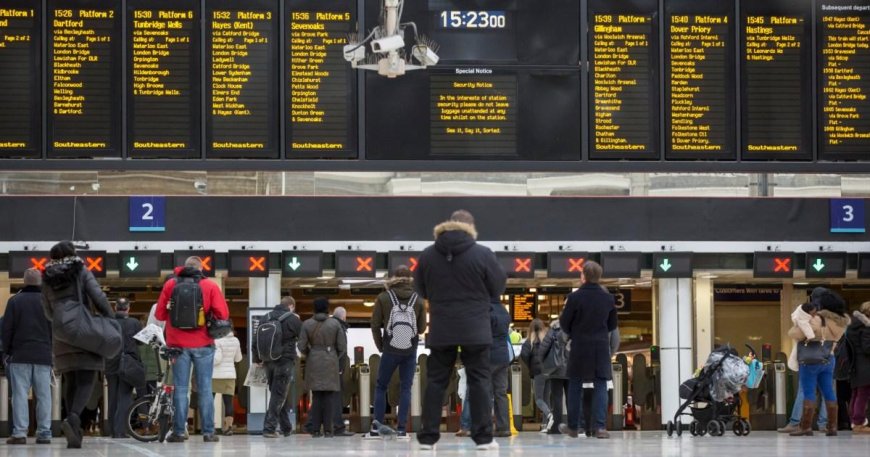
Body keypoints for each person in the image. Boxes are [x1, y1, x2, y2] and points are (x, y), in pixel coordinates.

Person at [414, 209, 506, 451]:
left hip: (442, 327)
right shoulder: (483, 254)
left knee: (436, 382)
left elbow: (421, 290)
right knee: (479, 382)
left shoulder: (427, 255)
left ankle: (427, 438)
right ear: (471, 228)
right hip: (475, 328)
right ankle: (484, 438)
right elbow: (497, 287)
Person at [41, 241, 115, 448]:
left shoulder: (46, 278)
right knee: (86, 378)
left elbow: (47, 312)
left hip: (61, 336)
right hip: (85, 332)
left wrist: (63, 321)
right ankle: (73, 418)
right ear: (72, 253)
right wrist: (110, 320)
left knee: (70, 380)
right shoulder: (80, 270)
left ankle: (73, 430)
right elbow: (97, 296)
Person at [155, 256, 230, 443]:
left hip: (177, 345)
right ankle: (208, 432)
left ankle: (179, 432)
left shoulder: (170, 284)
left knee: (181, 388)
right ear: (201, 268)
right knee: (205, 388)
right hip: (204, 344)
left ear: (184, 267)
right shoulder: (211, 286)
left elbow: (159, 314)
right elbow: (223, 314)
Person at [558, 260, 617, 440]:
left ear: (583, 276)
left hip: (580, 347)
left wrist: (574, 331)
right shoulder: (608, 298)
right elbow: (612, 325)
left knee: (575, 385)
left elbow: (564, 323)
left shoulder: (575, 297)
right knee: (601, 385)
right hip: (600, 347)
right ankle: (600, 428)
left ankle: (574, 427)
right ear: (599, 277)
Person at [370, 265, 427, 438]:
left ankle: (376, 428)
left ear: (393, 278)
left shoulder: (383, 297)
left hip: (390, 348)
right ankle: (402, 429)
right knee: (405, 388)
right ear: (410, 279)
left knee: (381, 386)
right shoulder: (418, 299)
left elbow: (374, 325)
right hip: (409, 350)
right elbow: (422, 328)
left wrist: (381, 346)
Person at [788, 291, 850, 436]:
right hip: (829, 359)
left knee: (809, 391)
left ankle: (806, 427)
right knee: (828, 390)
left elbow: (795, 334)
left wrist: (798, 322)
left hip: (810, 360)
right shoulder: (841, 322)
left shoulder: (816, 320)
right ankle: (832, 427)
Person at [3, 269, 53, 445]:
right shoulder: (48, 302)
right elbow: (55, 330)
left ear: (24, 281)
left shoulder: (15, 301)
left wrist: (6, 352)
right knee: (44, 396)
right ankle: (44, 433)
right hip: (43, 356)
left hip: (20, 355)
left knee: (19, 395)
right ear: (40, 282)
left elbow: (7, 329)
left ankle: (20, 433)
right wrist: (51, 351)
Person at [779, 288, 830, 433]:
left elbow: (796, 333)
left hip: (808, 358)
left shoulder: (808, 314)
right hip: (826, 356)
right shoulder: (830, 315)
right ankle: (823, 423)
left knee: (804, 390)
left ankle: (795, 422)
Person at [298, 297, 346, 437]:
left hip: (313, 360)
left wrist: (311, 353)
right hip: (331, 360)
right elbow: (342, 347)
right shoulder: (335, 324)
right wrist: (333, 356)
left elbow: (301, 346)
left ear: (314, 308)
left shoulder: (306, 324)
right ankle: (328, 430)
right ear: (327, 309)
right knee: (329, 397)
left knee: (317, 396)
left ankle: (315, 430)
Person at [255, 296, 302, 438]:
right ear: (291, 306)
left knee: (276, 394)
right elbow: (303, 338)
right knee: (278, 395)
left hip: (268, 361)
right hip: (284, 361)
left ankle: (286, 427)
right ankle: (269, 428)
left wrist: (257, 358)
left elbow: (256, 338)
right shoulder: (293, 319)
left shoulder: (265, 317)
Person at [106, 298, 143, 439]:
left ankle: (112, 430)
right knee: (125, 396)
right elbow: (140, 342)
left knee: (112, 397)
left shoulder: (109, 322)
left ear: (116, 307)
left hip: (111, 363)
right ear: (128, 308)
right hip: (128, 363)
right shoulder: (134, 323)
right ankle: (120, 430)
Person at [520, 318, 551, 432]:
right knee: (546, 399)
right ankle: (545, 425)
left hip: (538, 373)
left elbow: (524, 355)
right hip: (548, 372)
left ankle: (549, 415)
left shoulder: (529, 342)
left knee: (538, 399)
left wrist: (530, 366)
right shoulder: (547, 341)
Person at [489, 300, 514, 437]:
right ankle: (504, 427)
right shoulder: (504, 311)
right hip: (503, 356)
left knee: (485, 392)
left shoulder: (486, 309)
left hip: (488, 356)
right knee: (501, 393)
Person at [540, 320, 569, 434]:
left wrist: (542, 361)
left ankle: (556, 426)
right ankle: (573, 425)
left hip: (556, 369)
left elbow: (544, 346)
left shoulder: (554, 329)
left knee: (556, 398)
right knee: (572, 398)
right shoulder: (576, 327)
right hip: (572, 368)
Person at [330, 306, 354, 437]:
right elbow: (342, 350)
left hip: (325, 366)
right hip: (335, 368)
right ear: (343, 316)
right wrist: (339, 368)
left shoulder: (328, 325)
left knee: (324, 397)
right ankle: (338, 427)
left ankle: (316, 425)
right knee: (336, 397)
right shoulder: (339, 327)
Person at [213, 330, 243, 436]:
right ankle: (228, 427)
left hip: (215, 375)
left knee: (210, 401)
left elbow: (217, 359)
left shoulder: (216, 340)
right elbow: (238, 358)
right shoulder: (236, 340)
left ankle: (210, 426)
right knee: (228, 402)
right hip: (230, 375)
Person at [846, 302, 870, 434]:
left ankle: (854, 422)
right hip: (865, 366)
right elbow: (867, 348)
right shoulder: (866, 327)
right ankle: (859, 424)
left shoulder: (854, 326)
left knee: (856, 395)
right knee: (863, 395)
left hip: (856, 365)